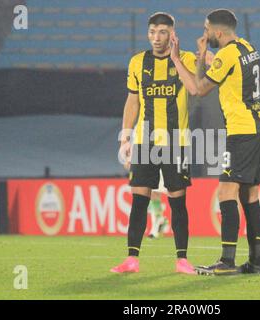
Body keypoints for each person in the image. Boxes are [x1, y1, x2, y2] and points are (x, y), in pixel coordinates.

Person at [170, 8, 260, 275]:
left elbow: (198, 89)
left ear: (218, 32)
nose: (204, 34)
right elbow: (211, 77)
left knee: (226, 192)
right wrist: (203, 56)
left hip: (241, 131)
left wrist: (178, 60)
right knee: (250, 195)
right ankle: (257, 262)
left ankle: (227, 262)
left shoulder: (226, 55)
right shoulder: (248, 47)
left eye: (206, 30)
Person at [111, 12, 198, 274]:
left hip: (176, 142)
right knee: (139, 200)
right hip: (145, 141)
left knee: (177, 201)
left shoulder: (187, 59)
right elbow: (132, 100)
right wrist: (125, 136)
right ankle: (132, 259)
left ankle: (182, 259)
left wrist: (176, 59)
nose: (156, 37)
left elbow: (194, 88)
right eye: (152, 32)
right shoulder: (138, 62)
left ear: (172, 34)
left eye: (162, 32)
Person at [147, 171, 169, 239]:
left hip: (163, 166)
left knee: (155, 193)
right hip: (153, 166)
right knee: (153, 193)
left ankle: (159, 222)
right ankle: (156, 227)